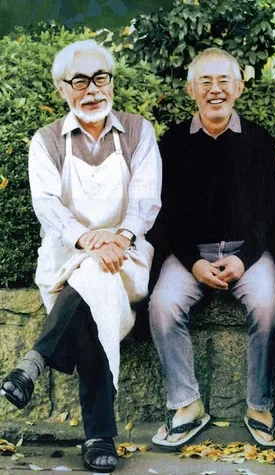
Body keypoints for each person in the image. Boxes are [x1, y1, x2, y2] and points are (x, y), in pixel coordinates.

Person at [0, 40, 162, 473]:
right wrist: (90, 241)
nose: (92, 90)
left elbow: (146, 199)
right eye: (80, 81)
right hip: (66, 258)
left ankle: (35, 363)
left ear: (111, 83)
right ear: (62, 88)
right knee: (94, 293)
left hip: (126, 256)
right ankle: (99, 437)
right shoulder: (46, 141)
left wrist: (119, 239)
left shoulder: (138, 131)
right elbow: (47, 206)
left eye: (100, 78)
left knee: (98, 283)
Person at [148, 48, 275, 449]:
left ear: (239, 87)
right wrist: (193, 262)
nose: (215, 90)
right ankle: (186, 404)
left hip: (248, 253)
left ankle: (259, 406)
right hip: (190, 254)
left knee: (267, 306)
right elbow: (166, 214)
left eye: (224, 80)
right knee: (163, 305)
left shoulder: (258, 140)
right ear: (191, 89)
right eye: (205, 82)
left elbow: (271, 214)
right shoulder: (174, 142)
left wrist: (244, 260)